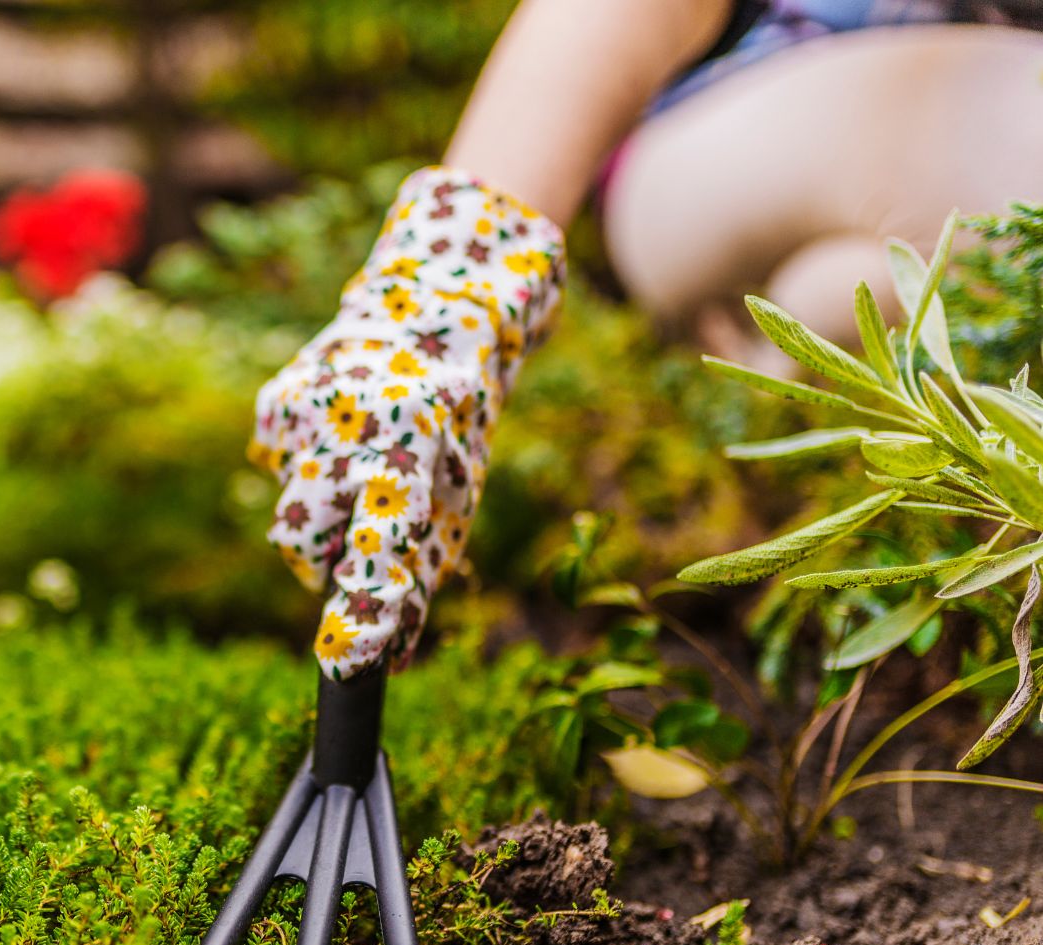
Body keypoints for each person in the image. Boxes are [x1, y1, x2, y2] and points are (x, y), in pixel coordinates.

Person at [251, 0, 1043, 680]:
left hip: (920, 218)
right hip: (755, 119)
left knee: (846, 296)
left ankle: (795, 350)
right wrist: (440, 294)